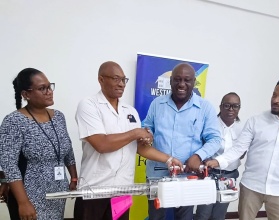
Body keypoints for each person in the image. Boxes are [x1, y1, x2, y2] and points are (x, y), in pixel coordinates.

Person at [73, 61, 183, 220]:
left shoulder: (130, 111)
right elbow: (101, 144)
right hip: (94, 189)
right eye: (116, 79)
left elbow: (141, 148)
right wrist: (135, 133)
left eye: (124, 80)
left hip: (123, 190)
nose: (121, 84)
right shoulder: (89, 105)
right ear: (101, 80)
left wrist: (169, 159)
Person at [206, 76, 279, 220]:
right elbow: (238, 148)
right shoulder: (256, 121)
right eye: (274, 94)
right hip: (251, 187)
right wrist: (217, 161)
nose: (275, 100)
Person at [142, 63, 222, 220]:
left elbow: (215, 139)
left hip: (187, 176)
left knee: (184, 217)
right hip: (157, 174)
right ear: (171, 81)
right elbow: (147, 128)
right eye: (177, 79)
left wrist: (199, 155)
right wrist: (147, 134)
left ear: (194, 82)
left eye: (187, 80)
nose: (182, 84)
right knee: (155, 217)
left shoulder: (205, 108)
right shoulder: (157, 104)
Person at [0, 68, 78, 220]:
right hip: (30, 197)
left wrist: (73, 177)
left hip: (57, 195)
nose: (49, 91)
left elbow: (67, 149)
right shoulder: (14, 121)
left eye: (49, 86)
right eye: (42, 88)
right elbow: (9, 164)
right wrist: (23, 202)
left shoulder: (59, 117)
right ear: (26, 94)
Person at [195, 92, 243, 220]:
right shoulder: (210, 124)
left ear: (239, 108)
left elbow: (241, 153)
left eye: (235, 106)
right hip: (210, 174)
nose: (231, 109)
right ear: (220, 107)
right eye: (227, 105)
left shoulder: (242, 129)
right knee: (203, 213)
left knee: (219, 214)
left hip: (230, 176)